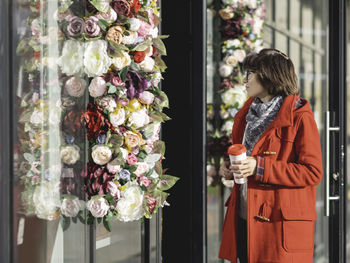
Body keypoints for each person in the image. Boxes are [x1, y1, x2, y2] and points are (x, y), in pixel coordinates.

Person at [218, 48, 323, 263]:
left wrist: (259, 167)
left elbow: (313, 173)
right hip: (245, 222)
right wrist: (230, 168)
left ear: (268, 76)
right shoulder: (245, 116)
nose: (245, 79)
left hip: (279, 228)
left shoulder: (299, 117)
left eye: (251, 73)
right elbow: (246, 158)